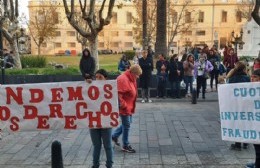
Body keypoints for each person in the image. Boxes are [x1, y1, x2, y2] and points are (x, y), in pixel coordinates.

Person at [111, 64, 142, 153]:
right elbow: (118, 95)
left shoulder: (131, 78)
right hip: (124, 107)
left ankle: (114, 136)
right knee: (127, 125)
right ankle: (125, 145)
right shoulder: (123, 79)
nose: (138, 77)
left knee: (128, 123)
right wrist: (124, 105)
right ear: (132, 73)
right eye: (137, 75)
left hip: (129, 106)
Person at [89, 69, 113, 168]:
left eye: (100, 77)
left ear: (105, 78)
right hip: (94, 121)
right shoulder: (91, 87)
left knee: (107, 146)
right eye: (96, 77)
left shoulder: (111, 89)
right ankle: (95, 165)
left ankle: (109, 165)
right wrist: (87, 84)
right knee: (96, 146)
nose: (97, 79)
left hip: (106, 121)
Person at [227, 61, 250, 150]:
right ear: (244, 69)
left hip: (235, 104)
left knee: (237, 123)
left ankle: (237, 144)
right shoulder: (247, 78)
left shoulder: (232, 78)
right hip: (245, 104)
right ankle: (246, 142)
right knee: (245, 122)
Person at [245, 69, 260, 168]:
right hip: (255, 121)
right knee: (256, 144)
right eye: (251, 77)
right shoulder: (251, 89)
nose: (252, 79)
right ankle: (257, 162)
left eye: (255, 77)